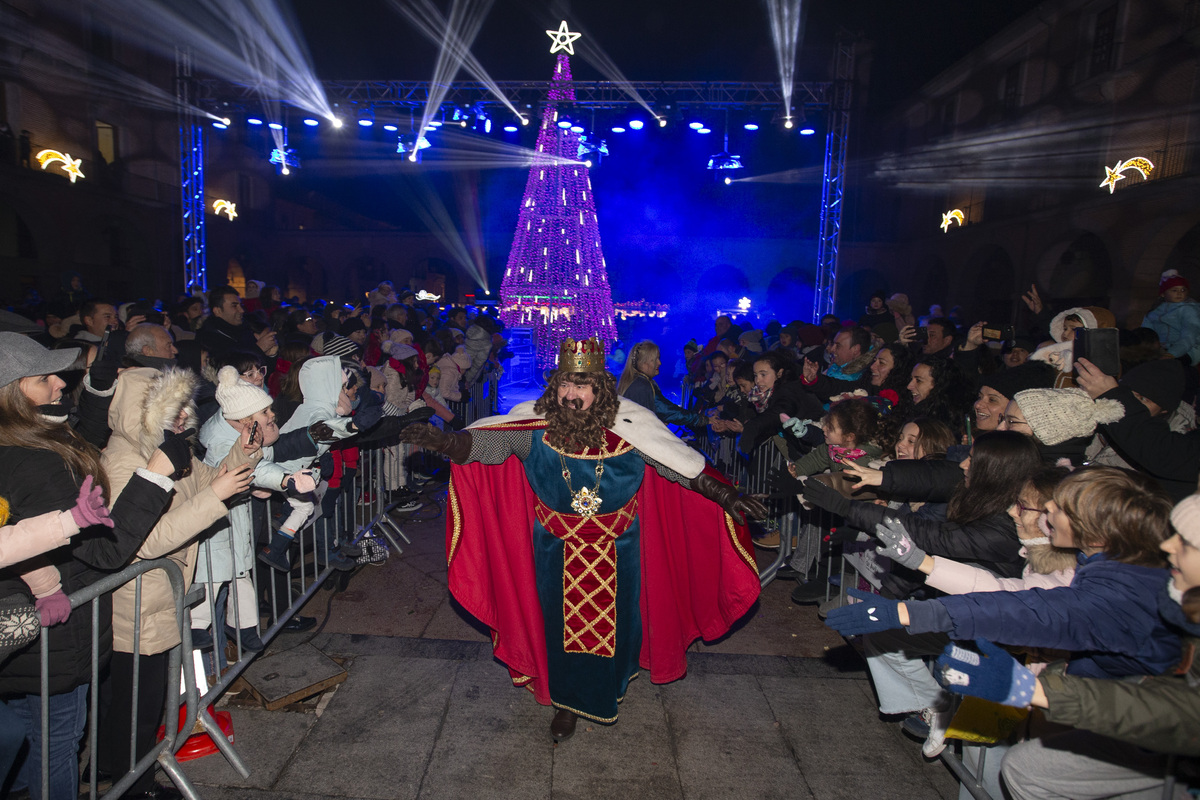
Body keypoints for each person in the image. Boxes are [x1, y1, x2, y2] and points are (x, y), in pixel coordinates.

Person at [399, 337, 766, 742]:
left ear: (600, 390)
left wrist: (726, 494)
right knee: (560, 628)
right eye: (564, 385)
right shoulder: (534, 430)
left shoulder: (631, 429)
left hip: (619, 548)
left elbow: (677, 465)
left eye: (582, 386)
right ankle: (568, 702)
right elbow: (489, 444)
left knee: (621, 624)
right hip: (555, 549)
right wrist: (444, 443)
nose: (571, 395)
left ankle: (611, 684)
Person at [0, 333, 176, 800]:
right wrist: (157, 472)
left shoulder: (26, 439)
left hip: (33, 633)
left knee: (16, 723)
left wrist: (101, 385)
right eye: (43, 378)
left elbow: (83, 433)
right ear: (13, 393)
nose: (60, 383)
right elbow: (105, 552)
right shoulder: (31, 462)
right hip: (54, 636)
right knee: (57, 745)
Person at [936, 492, 1200, 800]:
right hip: (1132, 722)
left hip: (1146, 732)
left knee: (1029, 768)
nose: (1169, 546)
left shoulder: (1124, 589)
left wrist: (1038, 689)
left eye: (1186, 543)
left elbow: (1023, 604)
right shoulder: (1172, 600)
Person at [97, 366, 258, 797]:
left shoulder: (168, 452)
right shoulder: (126, 460)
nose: (184, 418)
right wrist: (214, 496)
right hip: (135, 607)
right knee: (135, 709)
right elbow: (143, 542)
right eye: (174, 410)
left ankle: (131, 779)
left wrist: (246, 451)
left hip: (159, 600)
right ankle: (132, 787)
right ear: (145, 413)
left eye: (185, 408)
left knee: (144, 707)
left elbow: (216, 478)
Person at [616, 340, 707, 429]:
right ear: (644, 362)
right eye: (656, 359)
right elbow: (669, 411)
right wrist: (703, 420)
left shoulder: (635, 381)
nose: (660, 363)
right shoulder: (642, 385)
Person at [1141, 269, 1200, 366]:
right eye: (1174, 290)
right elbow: (1146, 333)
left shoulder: (1189, 310)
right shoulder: (1154, 312)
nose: (1179, 293)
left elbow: (1189, 336)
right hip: (1161, 350)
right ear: (1163, 293)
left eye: (1183, 290)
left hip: (1188, 351)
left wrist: (1171, 354)